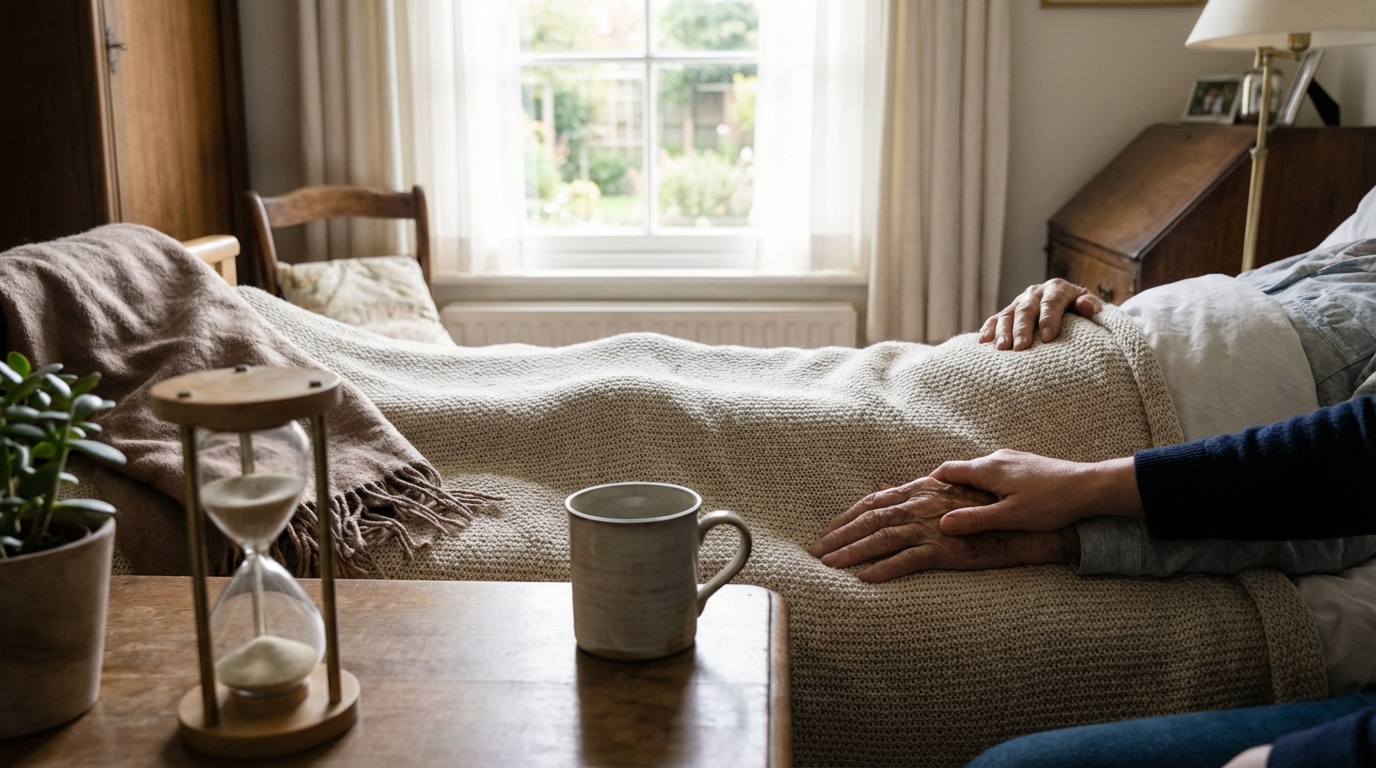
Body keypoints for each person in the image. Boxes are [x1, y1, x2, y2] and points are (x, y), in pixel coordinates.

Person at [811, 241, 1376, 766]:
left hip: (1146, 422)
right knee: (822, 399)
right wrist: (1099, 307)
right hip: (1085, 350)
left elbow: (1341, 490)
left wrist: (1077, 521)